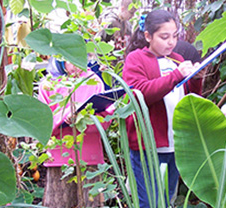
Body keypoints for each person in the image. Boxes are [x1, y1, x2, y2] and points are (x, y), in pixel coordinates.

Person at [122, 9, 203, 208]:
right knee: (149, 203)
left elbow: (190, 99)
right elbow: (139, 94)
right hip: (147, 146)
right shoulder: (135, 59)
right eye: (164, 37)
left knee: (167, 201)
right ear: (148, 36)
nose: (171, 42)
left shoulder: (176, 58)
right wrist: (176, 75)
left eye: (175, 36)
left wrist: (196, 79)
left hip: (176, 144)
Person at [38, 58, 115, 207]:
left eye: (79, 58)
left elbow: (105, 120)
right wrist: (65, 116)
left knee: (91, 202)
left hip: (89, 156)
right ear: (60, 59)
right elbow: (41, 124)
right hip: (59, 157)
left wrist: (85, 119)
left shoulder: (93, 80)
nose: (76, 65)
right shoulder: (48, 84)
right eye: (70, 60)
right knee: (59, 202)